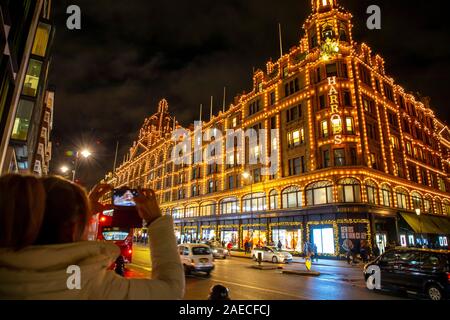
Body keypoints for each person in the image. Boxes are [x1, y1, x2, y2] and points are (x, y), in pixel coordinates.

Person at [0, 175, 185, 300]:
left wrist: (82, 209)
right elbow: (172, 290)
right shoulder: (86, 283)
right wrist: (156, 220)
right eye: (86, 223)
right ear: (72, 229)